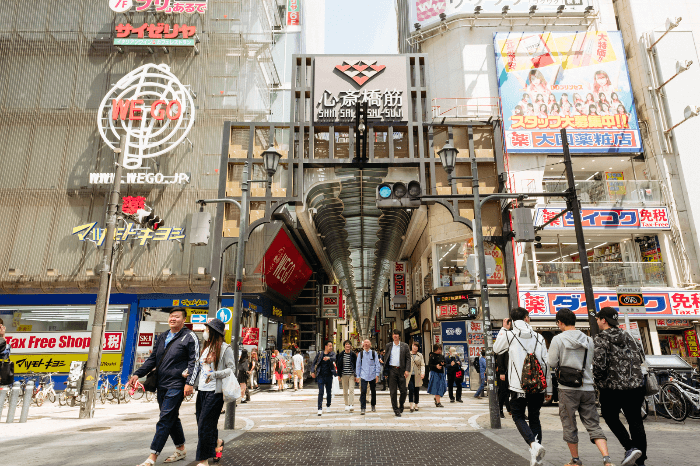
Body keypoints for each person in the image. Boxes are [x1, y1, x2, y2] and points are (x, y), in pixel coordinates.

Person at [130, 308, 199, 466]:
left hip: (177, 384)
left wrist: (189, 383)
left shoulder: (190, 337)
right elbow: (153, 359)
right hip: (161, 384)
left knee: (165, 419)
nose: (173, 319)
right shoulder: (163, 336)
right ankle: (181, 449)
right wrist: (137, 374)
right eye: (171, 316)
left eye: (177, 317)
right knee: (171, 417)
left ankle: (152, 456)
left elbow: (194, 362)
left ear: (183, 320)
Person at [549, 309, 614, 466]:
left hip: (567, 388)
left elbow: (551, 362)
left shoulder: (558, 340)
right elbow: (590, 361)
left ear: (560, 322)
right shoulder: (588, 340)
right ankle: (606, 459)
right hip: (587, 386)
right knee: (593, 423)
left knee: (569, 423)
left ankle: (575, 460)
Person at [494, 307, 552, 466]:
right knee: (534, 418)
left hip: (518, 387)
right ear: (527, 318)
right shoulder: (539, 337)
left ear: (511, 320)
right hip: (538, 387)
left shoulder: (509, 335)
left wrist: (503, 329)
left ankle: (534, 445)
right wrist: (549, 387)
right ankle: (536, 457)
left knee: (518, 416)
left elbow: (496, 349)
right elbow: (546, 364)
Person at [593, 307, 647, 466]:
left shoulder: (601, 338)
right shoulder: (629, 336)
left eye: (598, 319)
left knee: (610, 416)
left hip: (612, 389)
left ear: (604, 320)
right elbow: (641, 357)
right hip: (635, 387)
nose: (597, 321)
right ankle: (641, 461)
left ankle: (630, 447)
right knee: (636, 421)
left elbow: (599, 365)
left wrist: (600, 382)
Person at [192, 319, 233, 466]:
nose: (205, 332)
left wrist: (214, 374)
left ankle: (203, 460)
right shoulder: (206, 348)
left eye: (208, 330)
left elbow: (231, 370)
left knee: (204, 424)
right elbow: (201, 369)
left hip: (215, 392)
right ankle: (217, 442)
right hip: (202, 391)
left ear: (214, 332)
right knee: (203, 423)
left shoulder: (225, 348)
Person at [383, 329, 410, 417]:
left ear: (399, 336)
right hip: (392, 370)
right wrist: (386, 371)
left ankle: (401, 404)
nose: (395, 336)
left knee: (403, 391)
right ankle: (395, 409)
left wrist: (407, 370)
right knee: (393, 391)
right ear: (392, 336)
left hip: (401, 370)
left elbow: (408, 359)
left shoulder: (405, 346)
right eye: (394, 334)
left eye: (397, 334)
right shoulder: (389, 346)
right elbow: (386, 358)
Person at [355, 339, 382, 415]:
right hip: (363, 375)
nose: (366, 344)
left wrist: (377, 375)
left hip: (372, 375)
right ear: (363, 345)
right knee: (363, 391)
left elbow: (377, 364)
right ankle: (363, 408)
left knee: (373, 391)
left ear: (370, 345)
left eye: (367, 343)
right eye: (365, 343)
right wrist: (358, 376)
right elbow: (358, 365)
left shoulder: (374, 353)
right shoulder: (360, 354)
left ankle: (373, 405)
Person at [311, 341, 336, 416]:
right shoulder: (320, 354)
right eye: (329, 346)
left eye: (331, 346)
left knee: (329, 392)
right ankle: (319, 408)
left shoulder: (332, 354)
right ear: (325, 346)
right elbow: (314, 363)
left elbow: (334, 358)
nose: (331, 347)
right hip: (320, 375)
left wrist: (329, 358)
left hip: (329, 376)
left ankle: (328, 405)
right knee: (321, 392)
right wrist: (312, 371)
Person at [336, 340, 357, 412]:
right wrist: (338, 375)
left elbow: (356, 365)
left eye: (349, 344)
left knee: (351, 389)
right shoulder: (341, 354)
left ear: (350, 346)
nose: (347, 346)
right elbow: (339, 365)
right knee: (345, 391)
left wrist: (356, 375)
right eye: (346, 344)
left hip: (351, 374)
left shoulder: (353, 354)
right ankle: (346, 404)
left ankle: (351, 404)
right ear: (344, 346)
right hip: (344, 375)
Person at [406, 342, 425, 412]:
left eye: (416, 346)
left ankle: (416, 404)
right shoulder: (408, 354)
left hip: (418, 375)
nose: (415, 347)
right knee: (411, 389)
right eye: (414, 346)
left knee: (417, 390)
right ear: (411, 346)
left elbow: (422, 365)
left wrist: (423, 373)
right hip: (409, 375)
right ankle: (411, 405)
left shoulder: (420, 355)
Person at [496, 348, 511, 418]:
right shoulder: (503, 347)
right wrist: (502, 372)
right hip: (504, 373)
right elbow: (500, 359)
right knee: (503, 392)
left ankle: (509, 409)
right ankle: (500, 411)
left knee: (507, 392)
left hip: (511, 373)